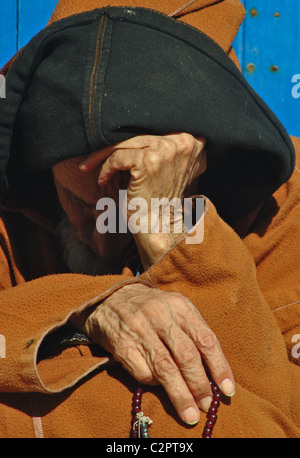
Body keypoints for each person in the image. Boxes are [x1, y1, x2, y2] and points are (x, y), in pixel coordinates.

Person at [0, 0, 299, 439]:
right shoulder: (14, 209)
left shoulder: (285, 208)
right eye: (78, 201)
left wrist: (169, 231)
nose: (102, 238)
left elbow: (275, 420)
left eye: (128, 203)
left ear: (204, 157)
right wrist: (88, 307)